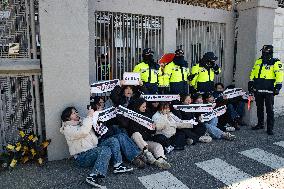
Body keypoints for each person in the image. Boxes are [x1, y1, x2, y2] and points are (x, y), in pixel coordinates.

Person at [60, 107, 133, 187]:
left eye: (76, 112)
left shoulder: (82, 121)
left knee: (113, 140)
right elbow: (83, 132)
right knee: (105, 150)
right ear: (67, 117)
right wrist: (90, 117)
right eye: (73, 113)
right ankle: (93, 176)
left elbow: (93, 126)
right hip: (82, 157)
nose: (77, 114)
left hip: (94, 149)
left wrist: (98, 116)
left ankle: (118, 165)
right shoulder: (67, 129)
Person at [126, 98, 171, 169]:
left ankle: (160, 160)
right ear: (138, 106)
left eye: (145, 106)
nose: (145, 108)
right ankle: (148, 155)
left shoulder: (147, 114)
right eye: (143, 107)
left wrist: (153, 128)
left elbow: (151, 132)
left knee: (158, 146)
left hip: (146, 141)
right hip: (137, 142)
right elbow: (132, 131)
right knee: (136, 134)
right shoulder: (132, 117)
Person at [248, 45, 284, 135]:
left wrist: (278, 87)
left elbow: (279, 75)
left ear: (270, 52)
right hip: (258, 89)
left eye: (265, 51)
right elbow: (253, 73)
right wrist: (251, 83)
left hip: (269, 90)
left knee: (269, 110)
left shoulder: (275, 62)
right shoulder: (258, 61)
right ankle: (260, 124)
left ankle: (270, 128)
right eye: (263, 51)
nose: (263, 53)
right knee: (259, 108)